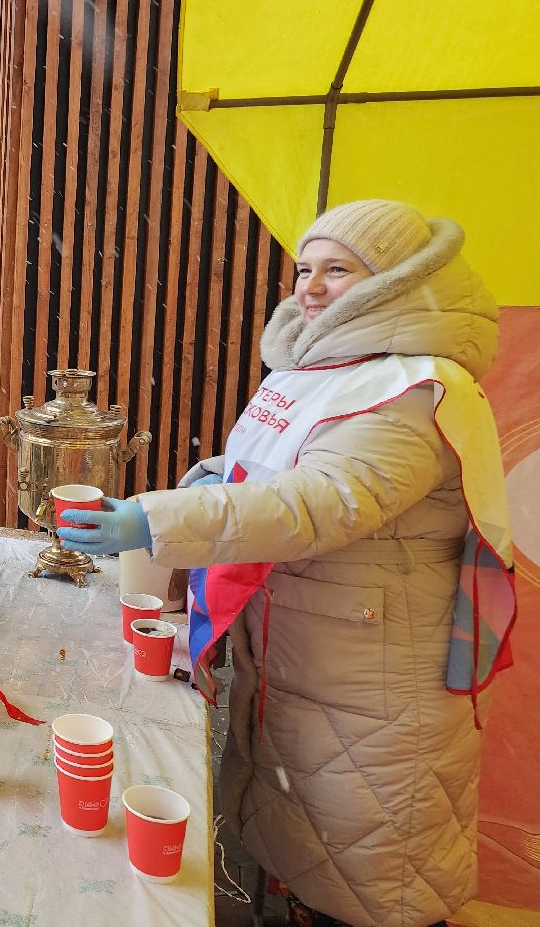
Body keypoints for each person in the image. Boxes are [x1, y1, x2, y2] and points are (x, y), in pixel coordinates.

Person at [59, 200, 515, 927]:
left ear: (399, 281)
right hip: (311, 658)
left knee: (374, 878)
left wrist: (155, 521)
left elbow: (322, 500)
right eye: (305, 267)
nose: (309, 286)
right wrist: (208, 480)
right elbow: (263, 471)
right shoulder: (328, 370)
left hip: (376, 680)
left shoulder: (414, 389)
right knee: (314, 849)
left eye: (339, 269)